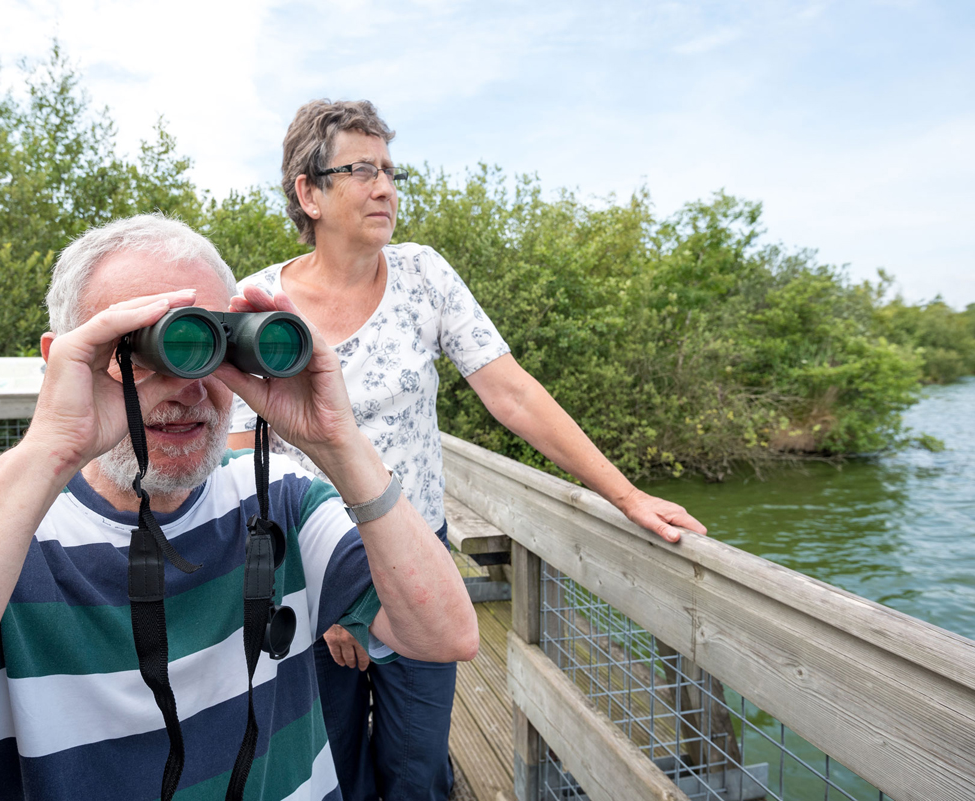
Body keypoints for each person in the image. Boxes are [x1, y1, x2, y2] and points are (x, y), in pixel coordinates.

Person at [0, 214, 478, 801]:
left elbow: (445, 634)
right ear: (61, 359)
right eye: (147, 349)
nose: (184, 385)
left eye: (207, 342)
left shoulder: (285, 502)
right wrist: (45, 455)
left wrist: (340, 442)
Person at [226, 99, 708, 801]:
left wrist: (626, 494)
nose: (386, 186)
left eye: (390, 169)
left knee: (416, 767)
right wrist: (332, 595)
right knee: (327, 762)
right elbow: (245, 451)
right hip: (311, 568)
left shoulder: (423, 273)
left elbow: (512, 394)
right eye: (362, 170)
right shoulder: (262, 300)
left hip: (419, 561)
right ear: (309, 190)